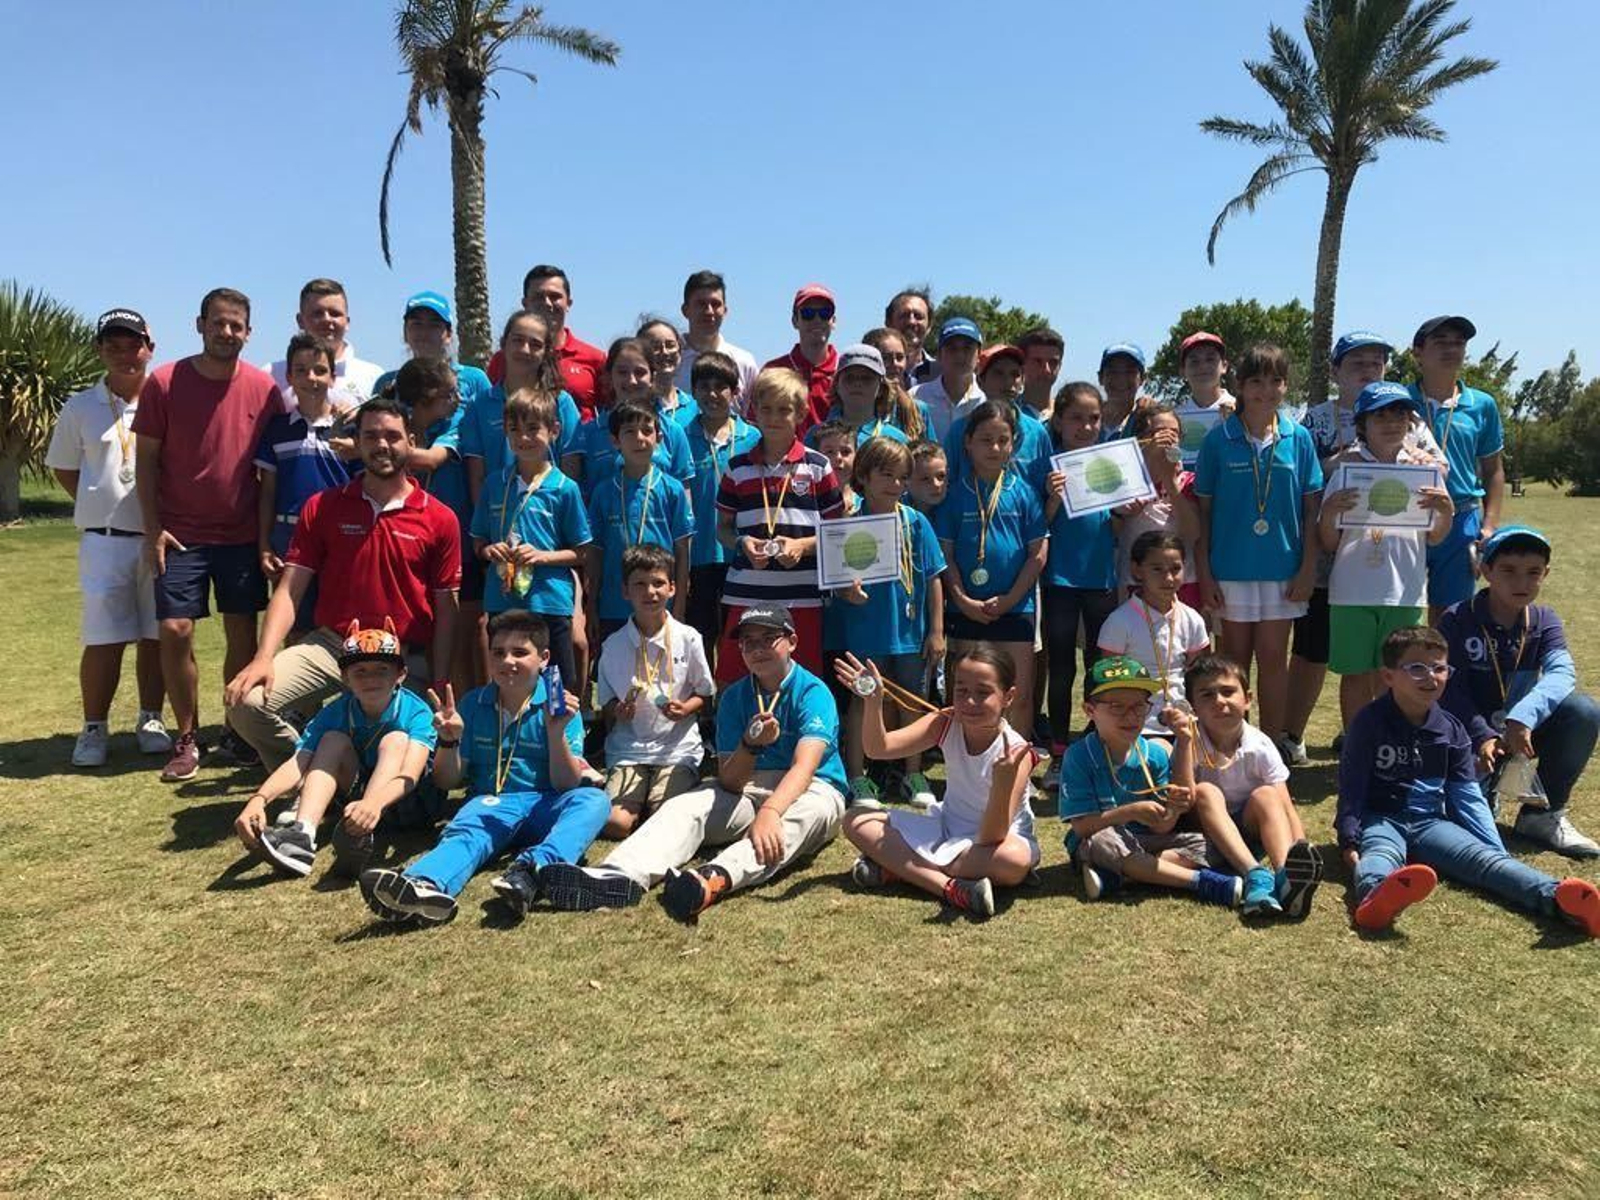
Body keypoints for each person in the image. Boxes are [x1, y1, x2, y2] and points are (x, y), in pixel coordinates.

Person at [539, 604, 847, 922]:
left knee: (805, 816)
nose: (757, 649)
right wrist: (749, 746)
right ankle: (616, 876)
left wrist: (770, 812)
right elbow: (730, 782)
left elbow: (804, 768)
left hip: (813, 788)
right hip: (750, 785)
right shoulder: (735, 697)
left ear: (792, 641)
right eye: (748, 642)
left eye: (768, 638)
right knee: (686, 806)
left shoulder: (813, 692)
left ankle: (714, 877)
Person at [224, 397, 461, 770]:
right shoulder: (323, 507)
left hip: (403, 655)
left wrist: (442, 675)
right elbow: (289, 589)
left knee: (408, 764)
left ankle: (340, 778)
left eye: (392, 436)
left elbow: (447, 610)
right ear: (358, 442)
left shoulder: (440, 517)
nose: (382, 445)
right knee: (246, 702)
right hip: (333, 646)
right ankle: (309, 774)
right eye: (371, 436)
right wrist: (263, 657)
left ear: (411, 440)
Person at [1336, 626, 1600, 936]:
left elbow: (1467, 795)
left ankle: (1560, 899)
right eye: (1417, 668)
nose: (1430, 676)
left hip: (1432, 824)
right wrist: (1349, 840)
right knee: (1380, 855)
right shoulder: (1368, 723)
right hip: (1381, 818)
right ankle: (1376, 897)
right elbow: (1352, 786)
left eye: (1439, 668)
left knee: (1487, 863)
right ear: (1389, 676)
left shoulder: (1451, 730)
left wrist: (1494, 849)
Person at [358, 612, 611, 923]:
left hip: (546, 803)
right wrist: (449, 742)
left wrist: (555, 731)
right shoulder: (473, 704)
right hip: (492, 803)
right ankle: (421, 886)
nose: (507, 661)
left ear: (544, 658)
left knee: (593, 801)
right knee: (467, 833)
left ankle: (533, 872)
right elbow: (447, 781)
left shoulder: (560, 706)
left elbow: (565, 784)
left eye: (520, 653)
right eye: (498, 653)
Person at [132, 287, 281, 781]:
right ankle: (187, 736)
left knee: (242, 632)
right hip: (179, 534)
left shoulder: (264, 390)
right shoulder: (165, 382)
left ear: (248, 332)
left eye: (236, 325)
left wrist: (262, 540)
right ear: (200, 325)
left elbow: (269, 475)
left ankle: (236, 732)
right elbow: (147, 462)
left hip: (239, 534)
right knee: (175, 630)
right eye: (218, 323)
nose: (227, 333)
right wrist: (153, 529)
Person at [45, 308, 171, 767]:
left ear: (149, 348)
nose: (124, 355)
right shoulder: (80, 406)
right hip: (104, 539)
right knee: (104, 637)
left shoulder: (166, 398)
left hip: (158, 536)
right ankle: (94, 728)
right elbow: (63, 468)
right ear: (100, 350)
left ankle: (151, 718)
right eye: (113, 346)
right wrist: (96, 503)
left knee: (157, 634)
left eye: (133, 345)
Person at [834, 646, 1037, 921]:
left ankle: (900, 869)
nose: (969, 702)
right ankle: (950, 888)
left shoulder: (1016, 752)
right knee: (855, 821)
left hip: (993, 844)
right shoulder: (945, 722)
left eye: (983, 693)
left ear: (1008, 697)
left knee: (1015, 862)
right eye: (961, 691)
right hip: (946, 830)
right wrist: (873, 702)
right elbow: (877, 749)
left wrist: (1002, 782)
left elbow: (992, 837)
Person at [1439, 525, 1600, 857]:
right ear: (1485, 571)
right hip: (1467, 735)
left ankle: (1542, 816)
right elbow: (1450, 691)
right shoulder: (1457, 619)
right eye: (1508, 571)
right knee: (1458, 824)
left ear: (1546, 574)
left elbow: (1561, 673)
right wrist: (1481, 734)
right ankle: (1483, 790)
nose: (1522, 583)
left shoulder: (1544, 620)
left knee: (1582, 712)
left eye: (1533, 573)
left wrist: (1522, 717)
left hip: (1518, 733)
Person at [235, 620, 439, 880]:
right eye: (360, 671)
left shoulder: (416, 711)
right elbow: (299, 762)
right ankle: (303, 834)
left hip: (409, 803)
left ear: (400, 674)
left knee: (395, 739)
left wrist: (374, 803)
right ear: (345, 678)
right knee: (331, 740)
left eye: (381, 669)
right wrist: (259, 799)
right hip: (359, 801)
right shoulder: (336, 711)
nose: (371, 679)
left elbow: (410, 774)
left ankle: (360, 835)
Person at [1194, 343, 1322, 753]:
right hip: (1230, 568)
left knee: (1273, 661)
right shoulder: (1219, 440)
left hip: (1283, 569)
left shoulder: (1298, 438)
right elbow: (1204, 516)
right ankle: (1232, 746)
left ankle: (1269, 748)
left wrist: (1307, 568)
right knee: (1232, 663)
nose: (1265, 390)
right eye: (1256, 381)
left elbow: (1310, 511)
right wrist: (1206, 572)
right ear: (1240, 385)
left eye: (1275, 381)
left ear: (1285, 386)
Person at [1318, 382, 1453, 734]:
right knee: (1355, 676)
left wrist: (1447, 512)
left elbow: (1436, 536)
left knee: (1398, 676)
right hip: (1352, 592)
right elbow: (1329, 542)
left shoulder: (1425, 471)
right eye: (1381, 415)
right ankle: (1356, 744)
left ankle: (1391, 744)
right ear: (1362, 423)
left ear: (1410, 423)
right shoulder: (1346, 469)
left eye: (1399, 414)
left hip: (1405, 591)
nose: (1392, 422)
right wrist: (1330, 511)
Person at [1058, 656, 1245, 908]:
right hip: (1097, 839)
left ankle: (1126, 876)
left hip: (1147, 842)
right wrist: (1131, 811)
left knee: (1211, 844)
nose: (1130, 716)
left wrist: (1174, 808)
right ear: (1090, 710)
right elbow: (1081, 828)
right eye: (1116, 706)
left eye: (1138, 706)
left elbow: (1162, 827)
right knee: (1103, 841)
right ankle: (1200, 882)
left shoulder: (1154, 755)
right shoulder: (1079, 756)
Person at [825, 438, 945, 807]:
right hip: (864, 632)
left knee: (913, 702)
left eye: (902, 476)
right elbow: (834, 584)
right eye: (886, 474)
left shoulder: (916, 522)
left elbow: (934, 577)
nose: (895, 484)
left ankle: (913, 772)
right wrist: (847, 592)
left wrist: (937, 631)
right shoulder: (847, 523)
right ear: (863, 475)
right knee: (863, 700)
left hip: (910, 633)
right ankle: (857, 777)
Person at [714, 367, 845, 680]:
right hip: (746, 593)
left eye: (784, 410)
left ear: (801, 413)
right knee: (736, 677)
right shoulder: (737, 468)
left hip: (801, 595)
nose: (773, 418)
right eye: (766, 408)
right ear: (753, 411)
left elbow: (839, 535)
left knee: (801, 679)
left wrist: (802, 545)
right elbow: (723, 529)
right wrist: (742, 543)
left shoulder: (817, 466)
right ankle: (734, 729)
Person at [935, 401, 1046, 732]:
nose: (994, 448)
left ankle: (1016, 768)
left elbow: (1038, 554)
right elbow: (945, 558)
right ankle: (968, 769)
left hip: (1016, 609)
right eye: (985, 439)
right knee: (967, 698)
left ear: (1013, 443)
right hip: (965, 611)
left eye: (1002, 440)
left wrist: (1011, 599)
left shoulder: (1025, 493)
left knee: (1019, 696)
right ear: (967, 442)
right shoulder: (954, 496)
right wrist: (962, 600)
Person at [1185, 655, 1323, 917]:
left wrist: (1301, 848)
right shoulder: (1189, 742)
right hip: (1205, 833)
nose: (1219, 701)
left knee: (1267, 794)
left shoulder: (1261, 745)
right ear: (1193, 707)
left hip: (1250, 830)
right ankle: (1255, 875)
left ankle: (1286, 878)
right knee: (1205, 791)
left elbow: (1284, 805)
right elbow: (1183, 799)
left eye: (1228, 692)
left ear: (1247, 699)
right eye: (1207, 695)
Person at [471, 387, 590, 687]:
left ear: (554, 430)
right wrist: (490, 551)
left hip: (549, 602)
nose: (523, 438)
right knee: (507, 682)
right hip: (503, 599)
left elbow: (583, 552)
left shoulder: (565, 488)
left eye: (533, 429)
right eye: (514, 430)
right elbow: (478, 542)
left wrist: (542, 556)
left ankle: (562, 734)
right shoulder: (494, 484)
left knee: (556, 686)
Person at [594, 545, 715, 837]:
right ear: (625, 591)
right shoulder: (613, 645)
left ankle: (658, 798)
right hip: (629, 749)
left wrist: (687, 708)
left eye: (658, 583)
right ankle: (635, 801)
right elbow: (607, 700)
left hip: (676, 748)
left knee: (665, 819)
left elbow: (705, 693)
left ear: (673, 588)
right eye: (640, 584)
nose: (650, 592)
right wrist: (617, 711)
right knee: (616, 824)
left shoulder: (689, 638)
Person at [255, 334, 362, 635]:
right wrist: (264, 545)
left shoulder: (351, 430)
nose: (310, 378)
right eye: (300, 370)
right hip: (288, 536)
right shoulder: (276, 429)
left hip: (340, 536)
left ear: (332, 375)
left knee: (339, 624)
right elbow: (267, 492)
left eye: (319, 370)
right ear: (288, 376)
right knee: (294, 622)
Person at [1036, 383, 1117, 767]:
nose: (1086, 427)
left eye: (1094, 418)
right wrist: (1052, 497)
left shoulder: (1110, 461)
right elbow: (1041, 523)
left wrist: (1126, 506)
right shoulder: (1049, 464)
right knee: (1062, 666)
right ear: (1060, 420)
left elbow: (1118, 521)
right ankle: (1058, 747)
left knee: (1099, 664)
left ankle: (1093, 739)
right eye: (1077, 418)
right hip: (1061, 580)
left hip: (1101, 577)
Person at [1407, 315, 1506, 620]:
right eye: (1441, 342)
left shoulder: (1482, 404)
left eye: (1459, 343)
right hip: (1405, 515)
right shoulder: (1397, 401)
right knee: (1399, 611)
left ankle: (1445, 670)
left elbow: (1493, 471)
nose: (1451, 349)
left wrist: (1488, 526)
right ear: (1417, 352)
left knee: (1451, 616)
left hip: (1461, 517)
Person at [392, 357, 475, 691]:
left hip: (442, 541)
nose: (455, 401)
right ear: (426, 398)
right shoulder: (395, 422)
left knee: (448, 633)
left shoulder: (454, 425)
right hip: (399, 542)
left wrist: (365, 449)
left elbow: (430, 459)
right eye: (448, 395)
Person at [584, 403, 693, 646]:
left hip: (660, 603)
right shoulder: (603, 492)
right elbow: (595, 553)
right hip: (614, 605)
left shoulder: (672, 489)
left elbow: (682, 549)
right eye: (629, 432)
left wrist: (681, 606)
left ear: (659, 438)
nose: (639, 439)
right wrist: (591, 606)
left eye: (646, 431)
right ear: (615, 440)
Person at [684, 351, 761, 678]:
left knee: (739, 630)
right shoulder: (680, 435)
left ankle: (737, 693)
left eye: (721, 386)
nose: (712, 394)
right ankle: (704, 704)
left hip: (740, 552)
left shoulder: (753, 437)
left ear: (735, 392)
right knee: (701, 632)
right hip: (699, 553)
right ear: (694, 391)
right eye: (704, 386)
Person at [1098, 532, 1211, 736]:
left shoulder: (1192, 618)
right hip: (1135, 725)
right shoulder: (1119, 622)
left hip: (1184, 721)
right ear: (1137, 570)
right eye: (1157, 569)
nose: (1168, 578)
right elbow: (1109, 683)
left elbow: (1200, 677)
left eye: (1175, 569)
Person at [564, 337, 693, 499]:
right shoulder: (587, 433)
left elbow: (684, 502)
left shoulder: (672, 431)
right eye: (622, 372)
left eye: (640, 372)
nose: (631, 381)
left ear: (652, 377)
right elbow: (572, 498)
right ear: (610, 376)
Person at [486, 265, 607, 417]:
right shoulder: (504, 358)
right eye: (538, 297)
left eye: (555, 297)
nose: (547, 303)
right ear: (525, 304)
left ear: (568, 303)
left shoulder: (595, 359)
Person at [1113, 405, 1202, 604]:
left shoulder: (1190, 481)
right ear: (1141, 438)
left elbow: (1194, 533)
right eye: (1158, 433)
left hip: (1184, 584)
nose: (1167, 439)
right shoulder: (1125, 482)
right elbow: (1113, 531)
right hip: (1135, 584)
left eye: (1174, 433)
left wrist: (1171, 485)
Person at [266, 278, 383, 412]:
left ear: (347, 322)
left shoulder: (373, 377)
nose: (327, 320)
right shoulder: (272, 375)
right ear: (300, 321)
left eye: (335, 314)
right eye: (317, 313)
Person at [944, 344, 1052, 484]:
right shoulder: (960, 430)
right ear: (980, 381)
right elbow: (947, 482)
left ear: (1022, 382)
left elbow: (1046, 487)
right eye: (998, 373)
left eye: (1015, 374)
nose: (1008, 382)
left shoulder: (1037, 433)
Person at [762, 283, 839, 432]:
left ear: (833, 321)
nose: (817, 320)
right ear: (795, 321)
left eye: (825, 313)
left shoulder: (845, 371)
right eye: (808, 313)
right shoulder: (773, 370)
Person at [675, 269, 759, 404]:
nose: (709, 311)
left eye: (715, 304)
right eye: (701, 304)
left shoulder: (744, 363)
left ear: (725, 311)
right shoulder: (670, 361)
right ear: (685, 310)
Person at [824, 343, 927, 446]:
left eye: (867, 378)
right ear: (836, 385)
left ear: (881, 388)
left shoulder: (896, 440)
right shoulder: (818, 435)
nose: (857, 384)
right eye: (849, 378)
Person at [912, 317, 985, 441]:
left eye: (967, 348)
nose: (960, 355)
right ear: (939, 355)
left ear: (978, 354)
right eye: (952, 348)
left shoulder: (986, 400)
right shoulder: (916, 396)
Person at [638, 318, 699, 429]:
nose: (664, 352)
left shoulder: (696, 407)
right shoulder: (635, 406)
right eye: (655, 347)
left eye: (670, 345)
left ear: (680, 351)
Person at [1175, 330, 1236, 422]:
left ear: (1224, 366)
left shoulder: (1245, 411)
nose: (1203, 366)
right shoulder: (1175, 418)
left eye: (1210, 359)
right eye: (1194, 362)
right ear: (1183, 371)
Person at [1097, 342, 1150, 442]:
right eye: (1112, 371)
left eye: (1130, 372)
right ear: (1100, 377)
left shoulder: (1149, 422)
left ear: (1143, 378)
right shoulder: (1084, 421)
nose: (1121, 379)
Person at [885, 288, 936, 387]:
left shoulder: (942, 373)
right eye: (904, 315)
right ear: (888, 322)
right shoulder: (874, 371)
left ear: (929, 326)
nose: (911, 322)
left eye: (918, 316)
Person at [1017, 327, 1065, 420]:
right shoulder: (1007, 414)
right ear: (1022, 364)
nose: (1046, 369)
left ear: (1060, 366)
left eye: (1053, 362)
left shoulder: (1067, 417)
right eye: (1037, 361)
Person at [907, 438, 948, 515]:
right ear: (906, 480)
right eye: (925, 479)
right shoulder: (897, 512)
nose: (936, 484)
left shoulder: (960, 507)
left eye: (941, 476)